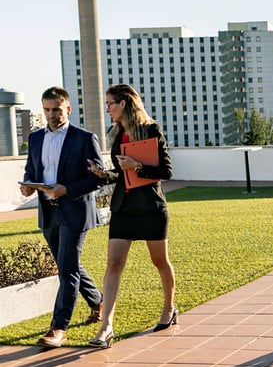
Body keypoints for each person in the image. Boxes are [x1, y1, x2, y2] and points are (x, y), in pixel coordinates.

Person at [86, 84, 176, 348]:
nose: (108, 109)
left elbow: (166, 171)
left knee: (160, 261)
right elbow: (120, 173)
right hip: (123, 207)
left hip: (150, 207)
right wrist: (105, 175)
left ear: (124, 103)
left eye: (110, 103)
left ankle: (169, 309)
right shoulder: (116, 134)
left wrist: (137, 165)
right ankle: (106, 327)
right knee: (113, 263)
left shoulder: (151, 130)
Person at [20, 86, 104, 348]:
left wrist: (66, 189)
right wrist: (27, 185)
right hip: (48, 212)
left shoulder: (84, 138)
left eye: (56, 109)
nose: (51, 114)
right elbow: (32, 170)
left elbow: (97, 179)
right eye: (46, 110)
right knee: (68, 264)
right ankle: (98, 300)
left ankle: (58, 328)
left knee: (67, 268)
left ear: (68, 108)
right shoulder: (35, 138)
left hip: (75, 210)